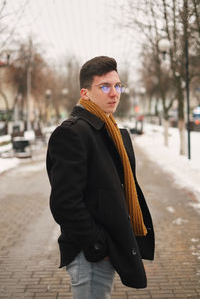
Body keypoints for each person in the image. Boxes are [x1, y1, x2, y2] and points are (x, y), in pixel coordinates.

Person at [46, 56, 155, 299]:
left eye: (118, 86)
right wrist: (98, 245)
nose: (114, 93)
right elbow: (65, 203)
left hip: (105, 249)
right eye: (104, 86)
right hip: (89, 256)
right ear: (85, 93)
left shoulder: (109, 131)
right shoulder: (73, 133)